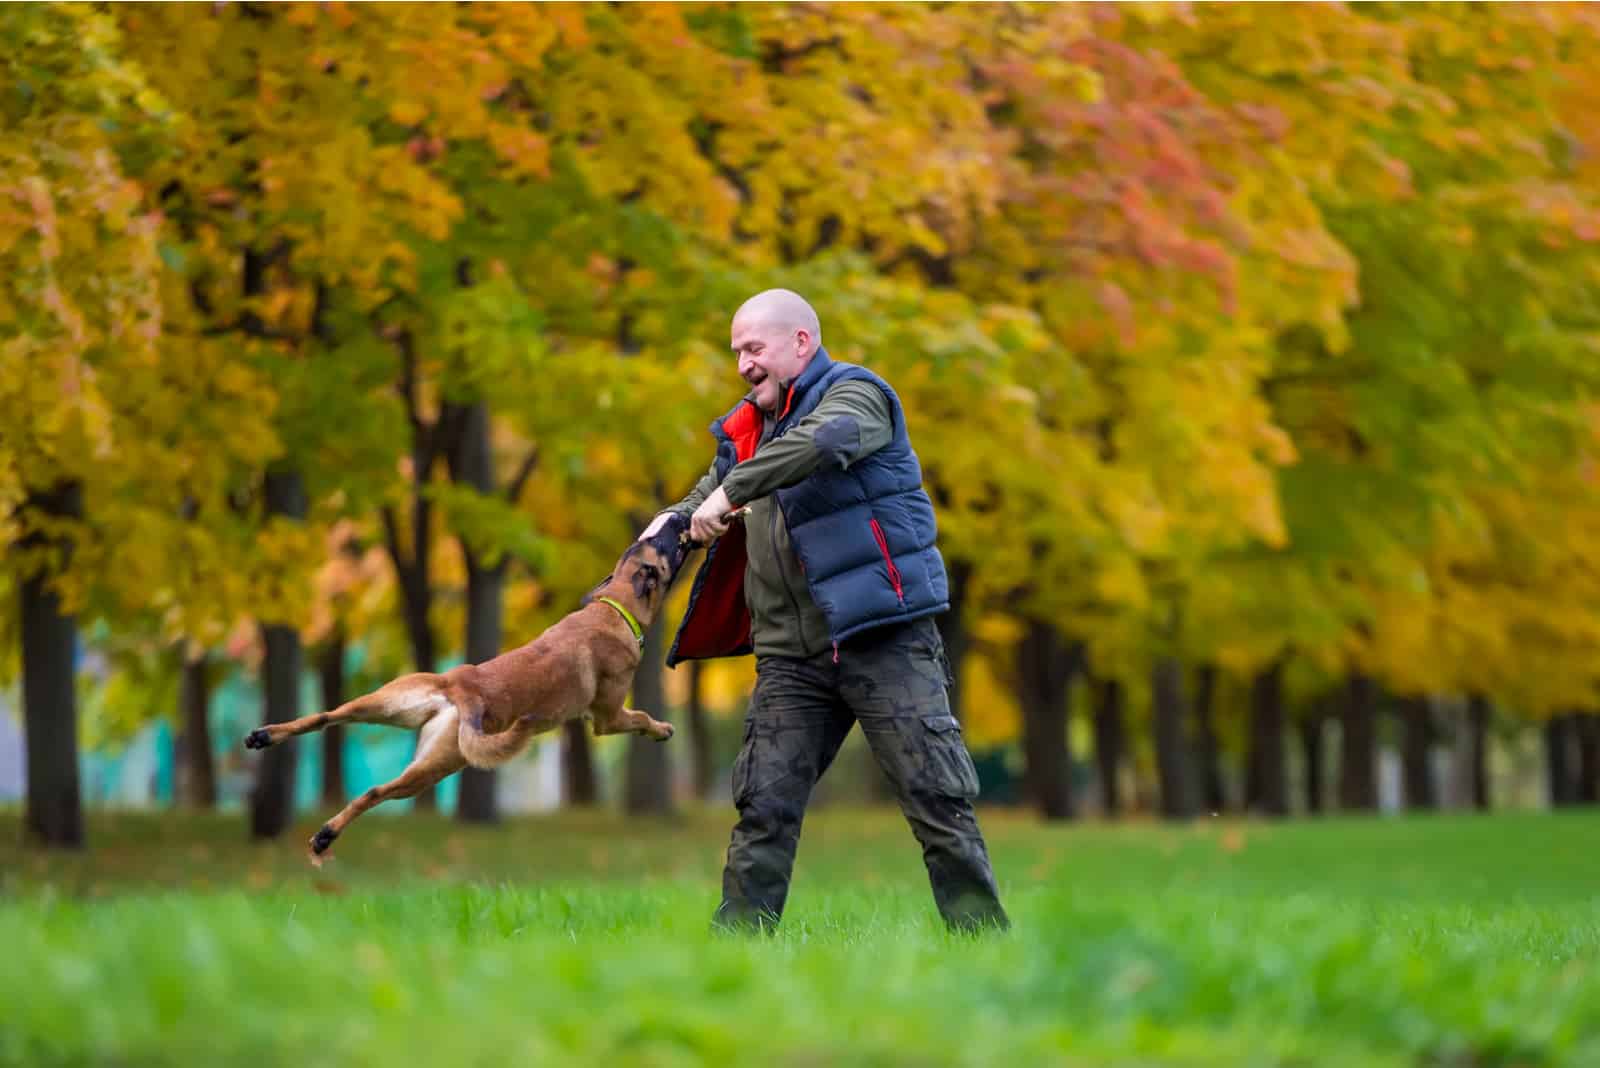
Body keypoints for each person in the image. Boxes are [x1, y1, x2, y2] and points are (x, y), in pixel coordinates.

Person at [638, 288, 1009, 933]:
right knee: (764, 807)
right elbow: (706, 494)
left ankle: (982, 940)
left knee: (935, 799)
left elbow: (821, 445)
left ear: (801, 343)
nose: (744, 366)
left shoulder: (858, 396)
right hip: (791, 656)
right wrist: (669, 523)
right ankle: (736, 952)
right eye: (736, 353)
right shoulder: (749, 428)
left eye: (755, 349)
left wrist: (732, 490)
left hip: (882, 638)